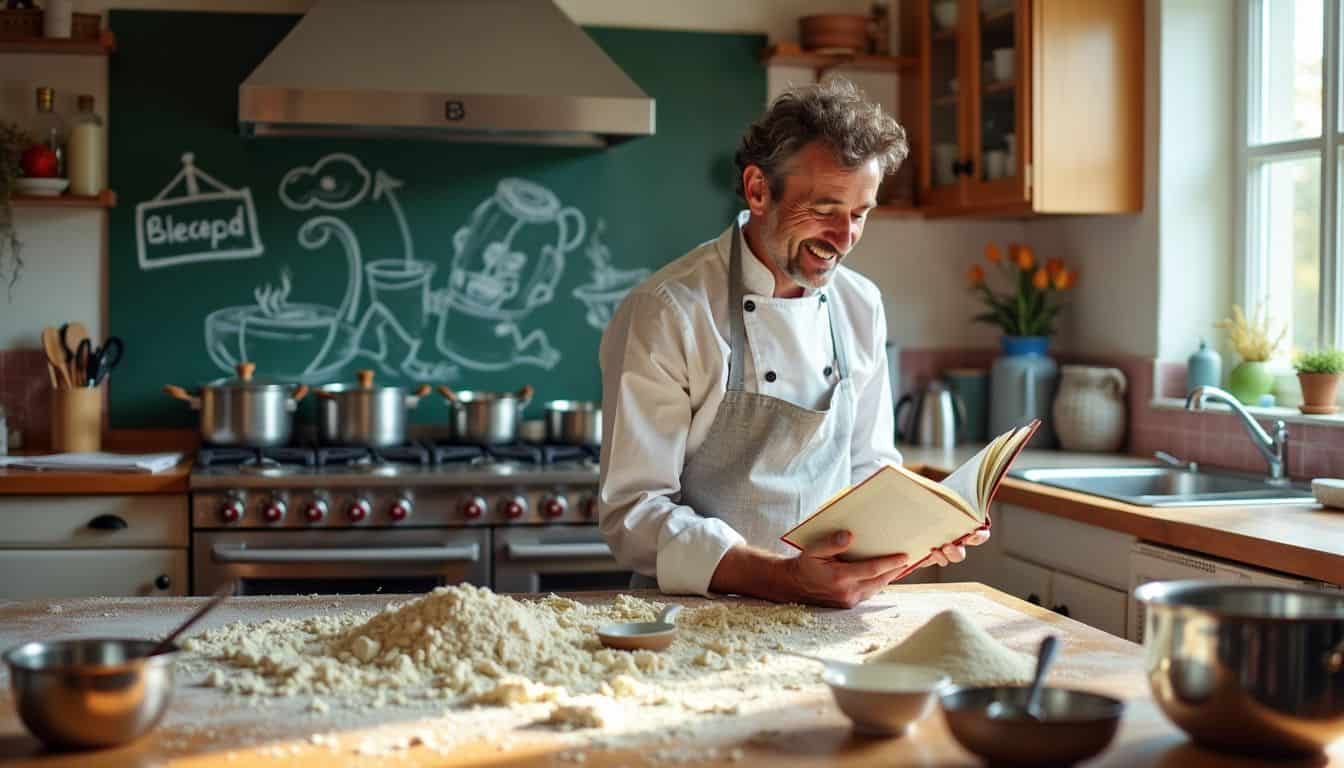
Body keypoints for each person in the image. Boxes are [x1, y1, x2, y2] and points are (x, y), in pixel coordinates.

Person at [597, 79, 988, 608]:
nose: (845, 238)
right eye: (826, 209)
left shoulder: (860, 304)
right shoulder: (670, 311)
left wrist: (920, 527)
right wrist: (781, 577)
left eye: (861, 213)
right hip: (694, 618)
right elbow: (635, 511)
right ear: (758, 190)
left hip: (829, 617)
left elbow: (869, 468)